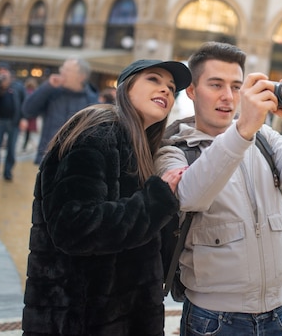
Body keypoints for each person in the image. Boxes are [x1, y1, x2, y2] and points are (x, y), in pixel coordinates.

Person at [155, 41, 282, 336]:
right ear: (193, 92)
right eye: (216, 85)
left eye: (237, 87)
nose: (228, 97)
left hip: (279, 311)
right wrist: (242, 131)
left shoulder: (263, 137)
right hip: (212, 318)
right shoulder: (172, 149)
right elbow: (190, 195)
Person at [22, 59, 193, 335]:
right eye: (154, 80)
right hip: (80, 319)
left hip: (122, 317)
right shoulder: (97, 133)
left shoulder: (139, 146)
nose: (165, 91)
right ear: (125, 88)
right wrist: (156, 201)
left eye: (172, 88)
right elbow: (73, 227)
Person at [22, 58, 99, 164]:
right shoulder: (52, 92)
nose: (62, 72)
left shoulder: (92, 101)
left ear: (81, 77)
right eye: (62, 68)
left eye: (67, 70)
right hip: (48, 157)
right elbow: (28, 110)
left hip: (76, 161)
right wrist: (47, 87)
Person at [0, 63, 27, 181]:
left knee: (11, 148)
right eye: (1, 71)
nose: (3, 73)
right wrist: (1, 85)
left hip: (14, 121)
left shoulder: (18, 86)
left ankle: (8, 172)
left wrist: (24, 118)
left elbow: (24, 103)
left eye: (5, 70)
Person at [21, 77, 38, 151]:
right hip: (31, 116)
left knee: (23, 131)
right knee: (28, 132)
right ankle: (24, 145)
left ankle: (24, 145)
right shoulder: (35, 93)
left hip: (25, 114)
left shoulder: (25, 92)